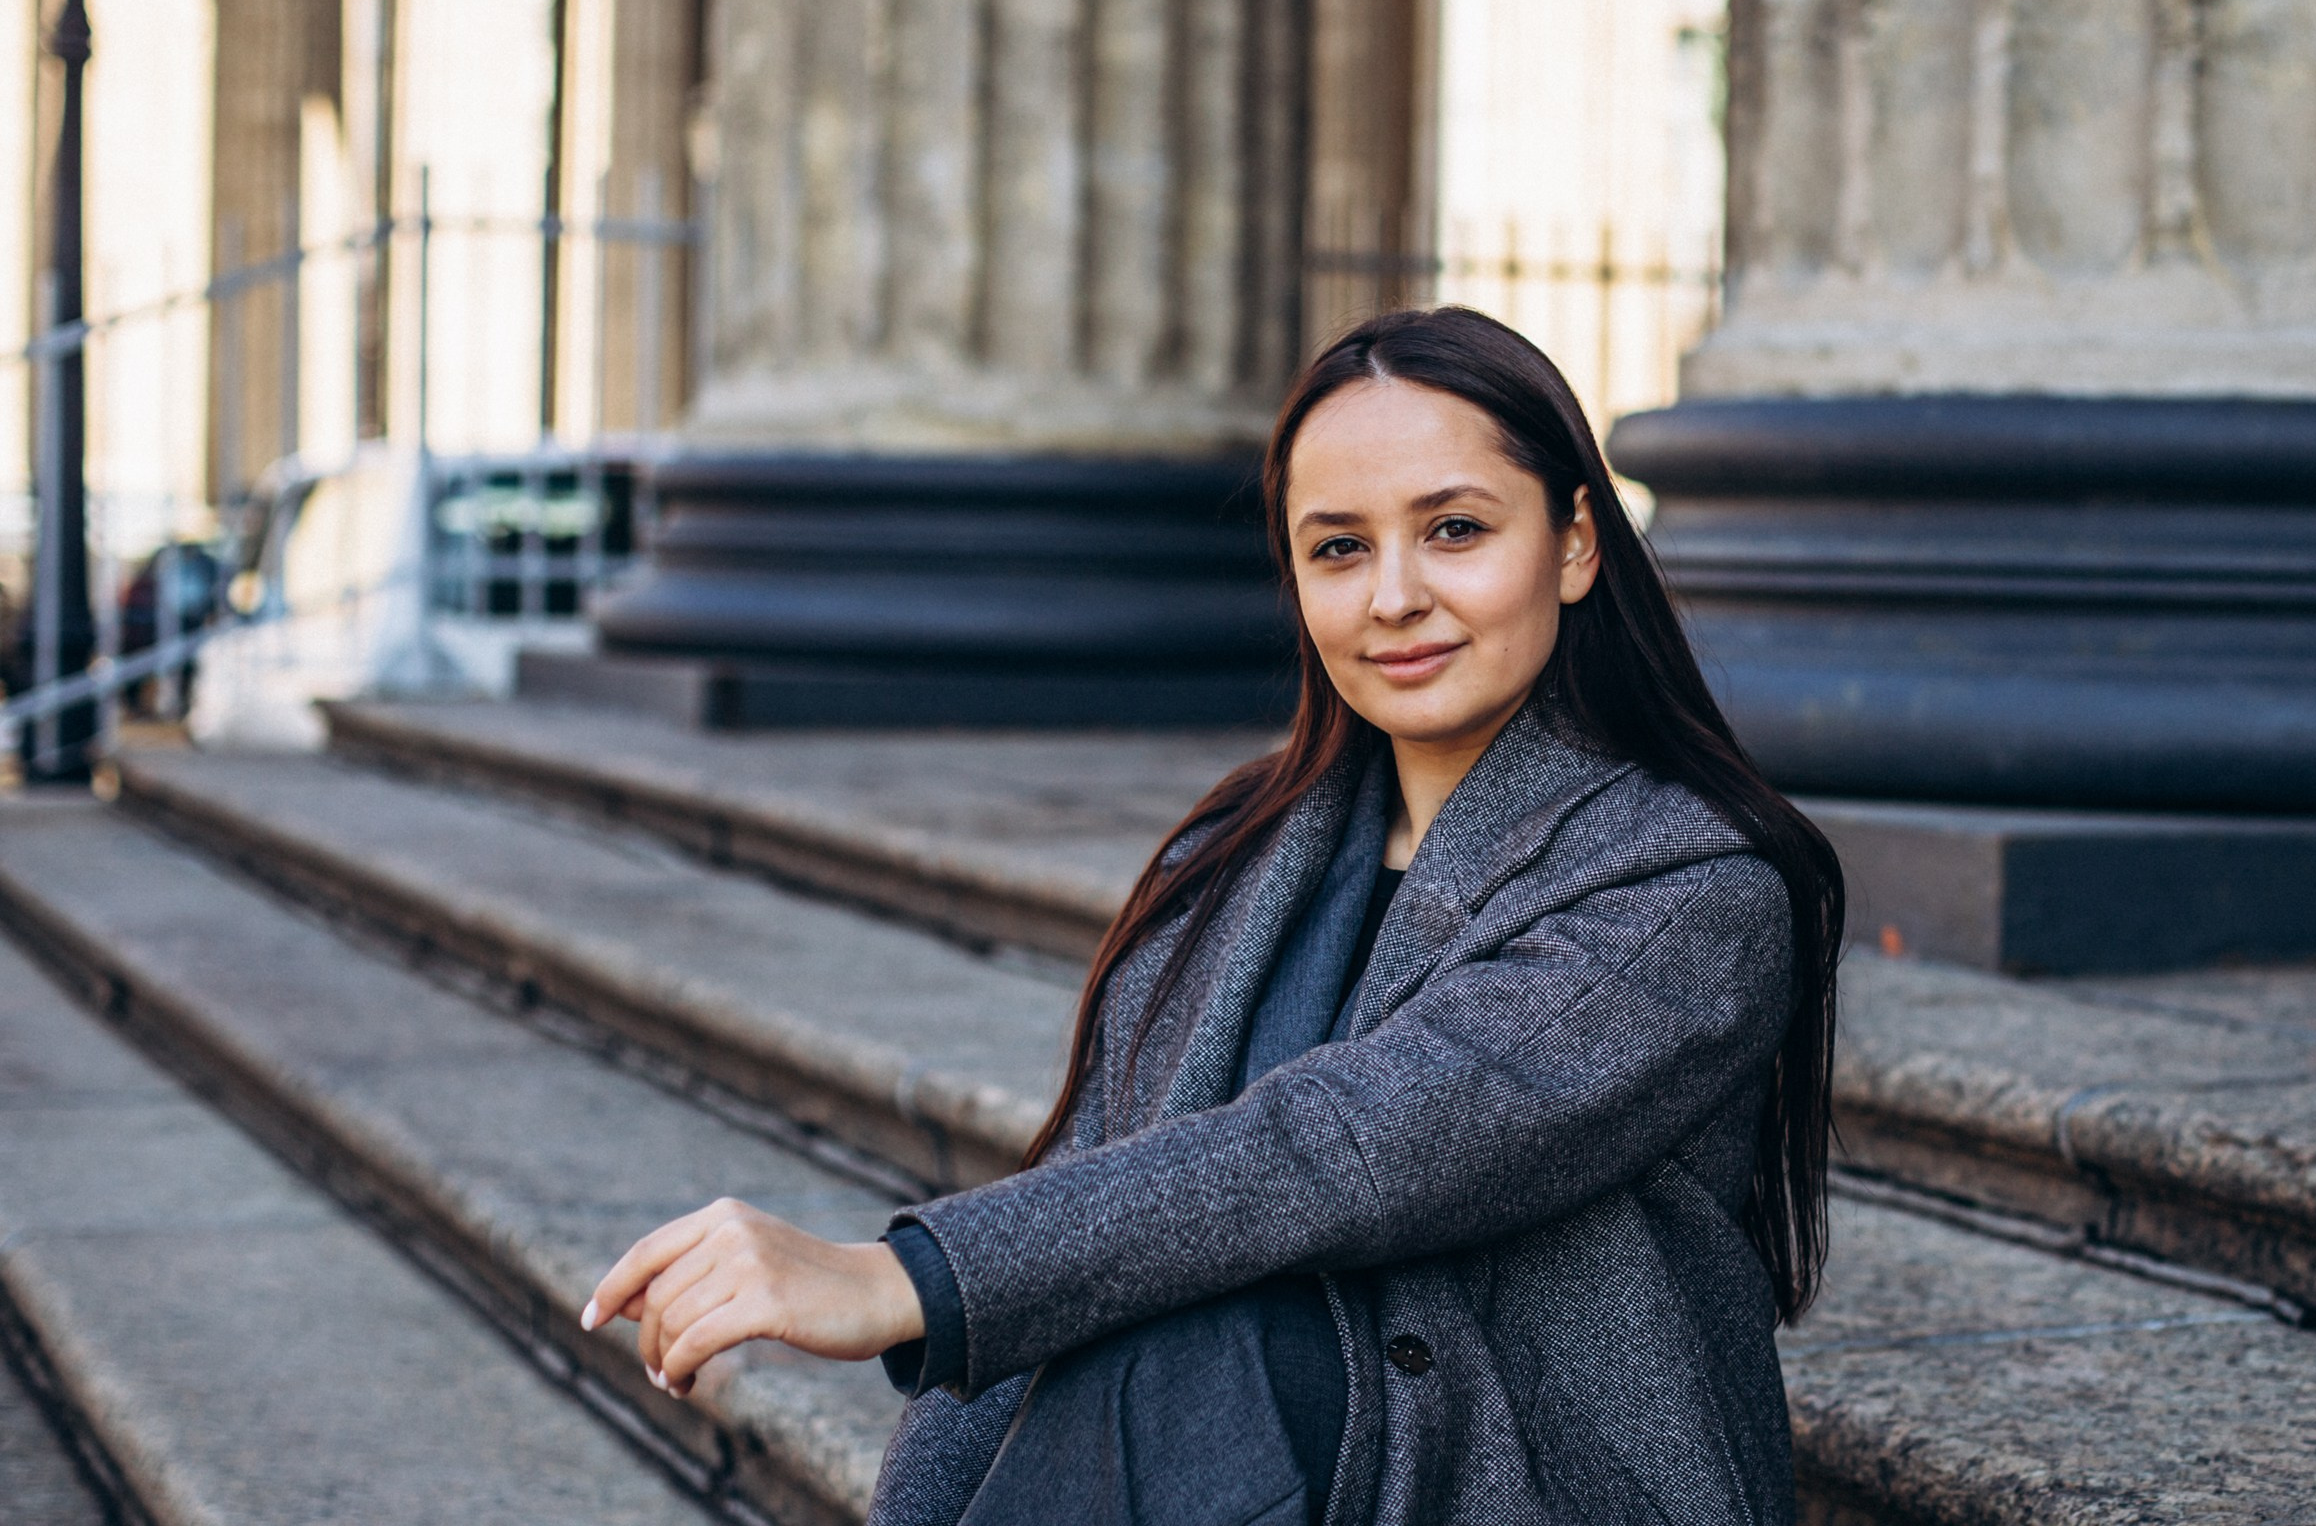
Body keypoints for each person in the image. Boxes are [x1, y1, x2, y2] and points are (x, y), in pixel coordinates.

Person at [582, 306, 1845, 1526]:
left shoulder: (1690, 885)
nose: (1393, 596)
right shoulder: (1236, 853)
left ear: (1575, 543)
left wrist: (908, 1277)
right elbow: (1098, 1200)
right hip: (1242, 1442)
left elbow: (1353, 1147)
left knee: (1192, 1335)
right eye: (1338, 547)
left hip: (1534, 1476)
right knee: (1167, 1331)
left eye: (1455, 530)